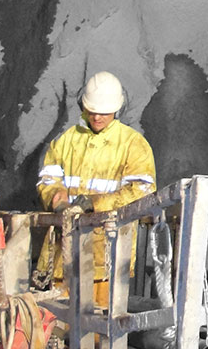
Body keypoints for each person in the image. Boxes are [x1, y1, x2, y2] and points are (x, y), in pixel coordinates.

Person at [36, 71, 156, 302]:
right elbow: (48, 179)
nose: (98, 117)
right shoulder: (66, 140)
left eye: (104, 112)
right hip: (62, 252)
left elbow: (143, 190)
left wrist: (95, 203)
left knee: (99, 324)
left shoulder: (133, 144)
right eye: (93, 111)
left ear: (117, 108)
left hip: (106, 255)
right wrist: (57, 200)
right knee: (56, 323)